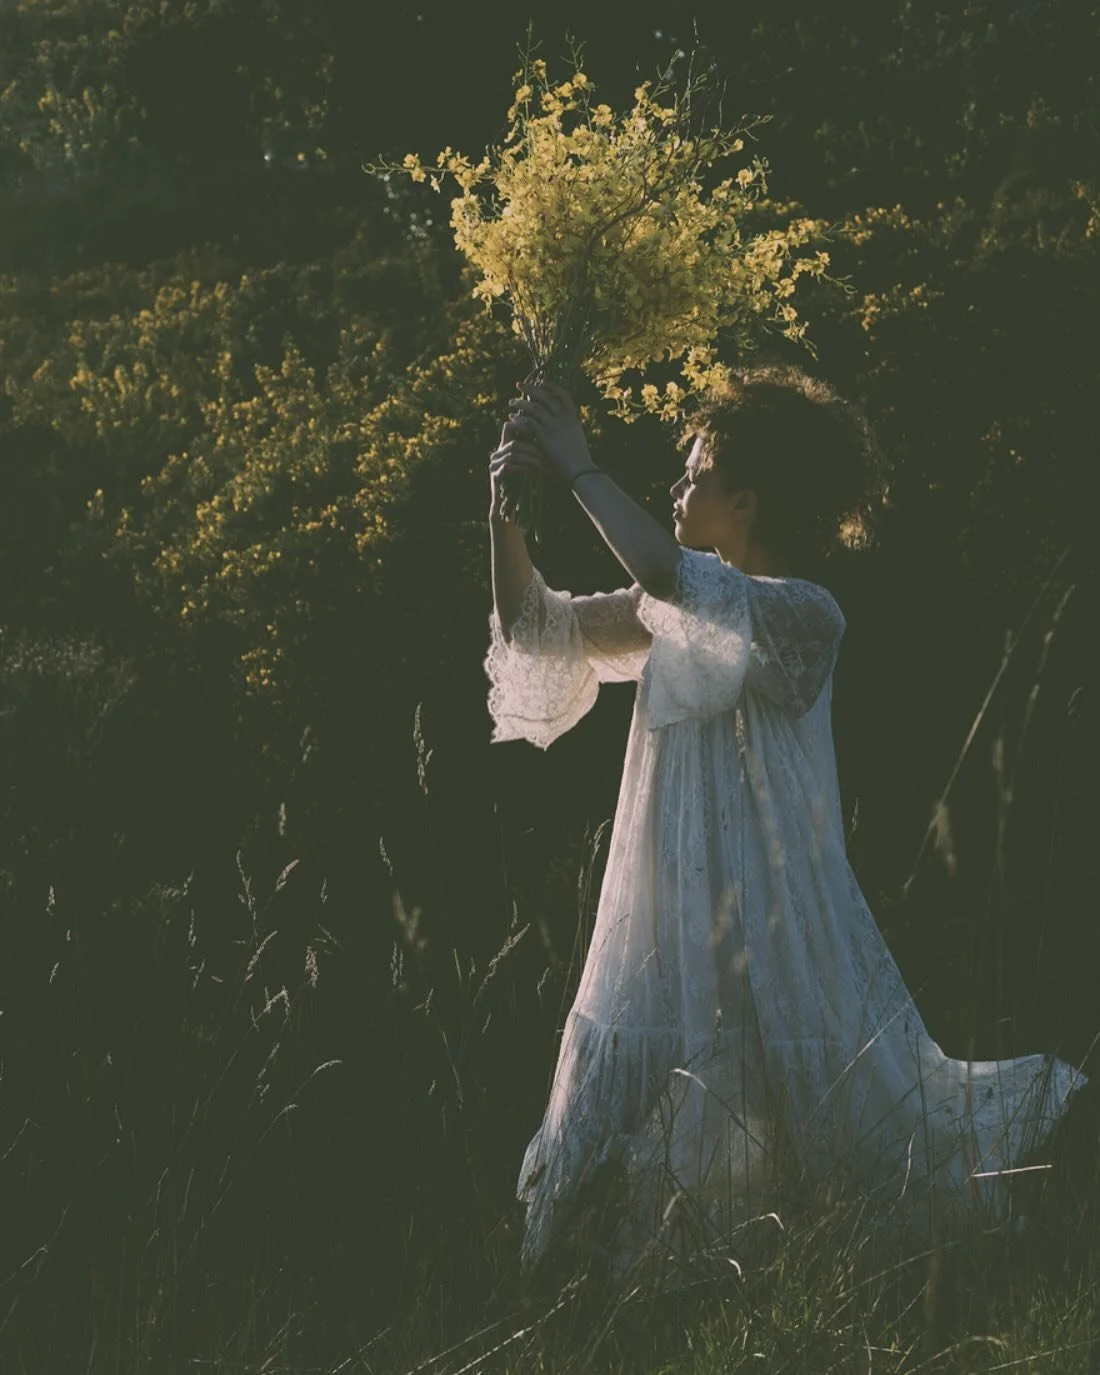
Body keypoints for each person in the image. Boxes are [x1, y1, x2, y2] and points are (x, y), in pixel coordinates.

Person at [485, 364, 1085, 1284]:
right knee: (649, 1102)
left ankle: (821, 1286)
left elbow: (663, 571)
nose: (677, 487)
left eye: (693, 475)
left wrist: (576, 462)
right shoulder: (675, 605)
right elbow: (536, 630)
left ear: (750, 501)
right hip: (666, 917)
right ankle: (642, 1290)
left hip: (772, 924)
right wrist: (507, 513)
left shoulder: (802, 613)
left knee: (802, 1116)